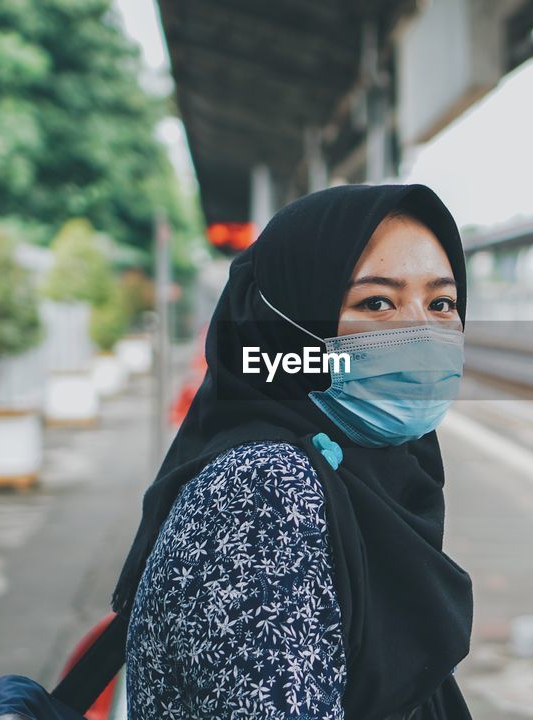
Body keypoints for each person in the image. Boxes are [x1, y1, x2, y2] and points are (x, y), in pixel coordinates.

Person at [111, 184, 474, 719]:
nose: (421, 331)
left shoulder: (373, 475)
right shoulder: (262, 493)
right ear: (284, 333)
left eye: (441, 303)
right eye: (377, 302)